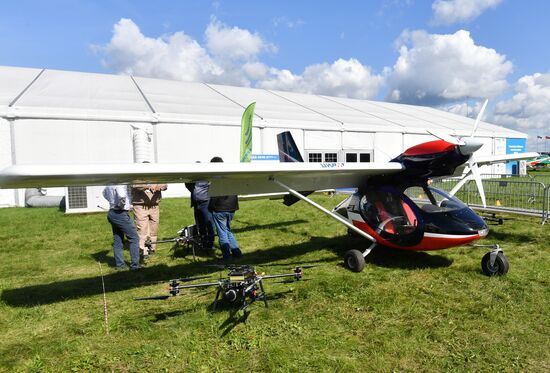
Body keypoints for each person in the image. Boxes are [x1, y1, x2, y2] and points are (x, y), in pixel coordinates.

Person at [208, 156, 242, 261]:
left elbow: (214, 195)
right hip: (232, 208)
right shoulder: (230, 174)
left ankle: (227, 257)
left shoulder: (215, 178)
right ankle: (237, 252)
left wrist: (210, 207)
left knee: (222, 233)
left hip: (219, 209)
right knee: (227, 231)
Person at [102, 184, 141, 270]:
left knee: (118, 240)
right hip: (120, 212)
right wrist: (120, 205)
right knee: (134, 238)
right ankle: (135, 265)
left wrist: (112, 202)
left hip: (112, 212)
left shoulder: (109, 184)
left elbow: (104, 193)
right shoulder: (119, 184)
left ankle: (120, 265)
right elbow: (122, 196)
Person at [132, 181, 167, 260]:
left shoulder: (156, 175)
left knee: (154, 228)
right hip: (140, 205)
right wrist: (149, 186)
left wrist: (160, 187)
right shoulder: (137, 174)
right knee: (142, 229)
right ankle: (143, 251)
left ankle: (152, 248)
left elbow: (165, 185)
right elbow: (135, 185)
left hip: (154, 205)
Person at [185, 172, 215, 252]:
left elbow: (212, 187)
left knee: (209, 223)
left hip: (206, 203)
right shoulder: (192, 178)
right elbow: (187, 185)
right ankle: (203, 242)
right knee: (200, 224)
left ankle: (210, 243)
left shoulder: (207, 177)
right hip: (196, 204)